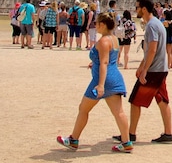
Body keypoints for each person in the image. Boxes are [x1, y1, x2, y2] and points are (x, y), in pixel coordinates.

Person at [57, 13, 133, 153]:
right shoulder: (114, 39)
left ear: (102, 24)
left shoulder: (104, 41)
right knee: (118, 112)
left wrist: (101, 85)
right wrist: (95, 62)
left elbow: (104, 62)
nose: (95, 25)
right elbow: (108, 59)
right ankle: (126, 142)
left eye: (97, 23)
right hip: (115, 78)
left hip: (103, 80)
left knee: (83, 109)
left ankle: (74, 139)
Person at [118, 0, 172, 144]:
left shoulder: (152, 26)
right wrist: (141, 66)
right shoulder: (156, 23)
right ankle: (168, 133)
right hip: (159, 68)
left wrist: (144, 71)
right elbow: (149, 50)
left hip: (154, 70)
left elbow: (152, 50)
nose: (135, 10)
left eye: (137, 7)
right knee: (162, 100)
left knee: (135, 100)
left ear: (143, 9)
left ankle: (131, 134)